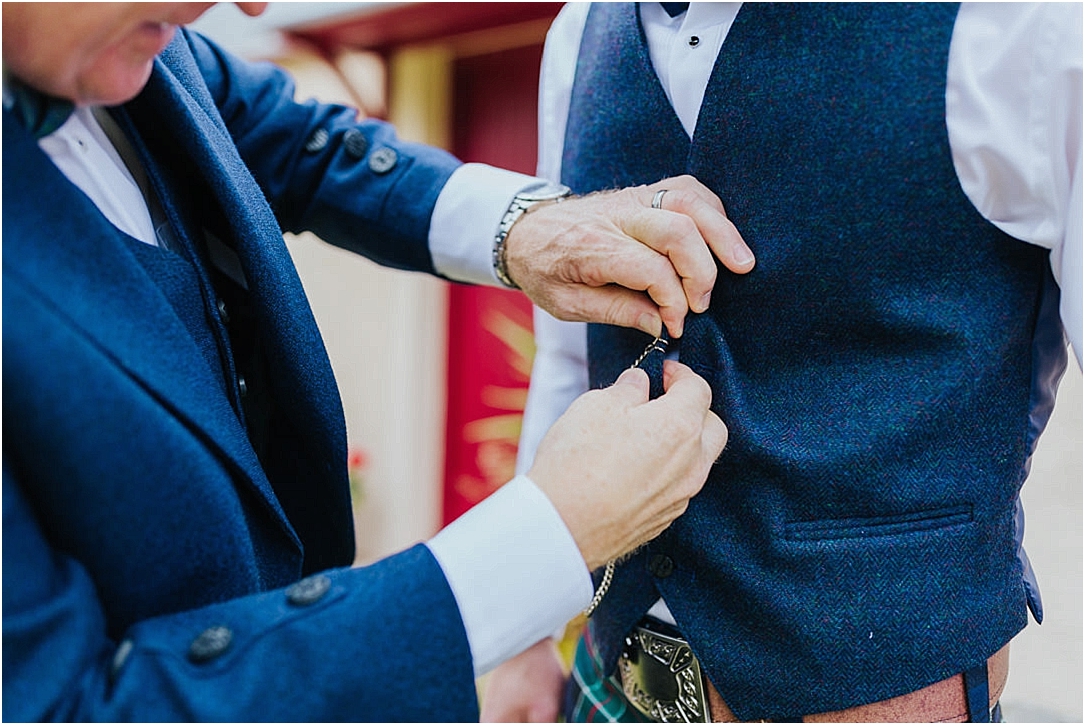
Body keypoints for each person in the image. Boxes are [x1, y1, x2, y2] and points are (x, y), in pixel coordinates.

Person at [1, 3, 759, 721]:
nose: (254, 11)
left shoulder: (134, 51)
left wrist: (526, 229)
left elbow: (288, 139)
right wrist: (544, 539)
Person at [484, 2, 1082, 723]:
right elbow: (569, 350)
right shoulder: (580, 30)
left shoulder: (1020, 21)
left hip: (877, 690)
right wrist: (523, 632)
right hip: (611, 680)